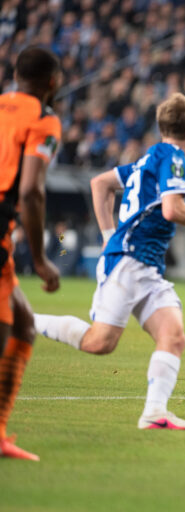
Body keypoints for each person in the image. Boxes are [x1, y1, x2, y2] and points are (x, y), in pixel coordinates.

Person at [34, 93, 185, 431]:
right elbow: (171, 209)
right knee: (99, 343)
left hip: (144, 265)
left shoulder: (149, 159)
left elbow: (100, 183)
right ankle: (25, 319)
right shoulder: (173, 157)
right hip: (129, 262)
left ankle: (154, 413)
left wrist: (107, 235)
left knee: (173, 336)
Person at [0, 47, 62, 461]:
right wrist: (40, 258)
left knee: (23, 324)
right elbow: (31, 191)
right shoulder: (43, 119)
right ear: (52, 81)